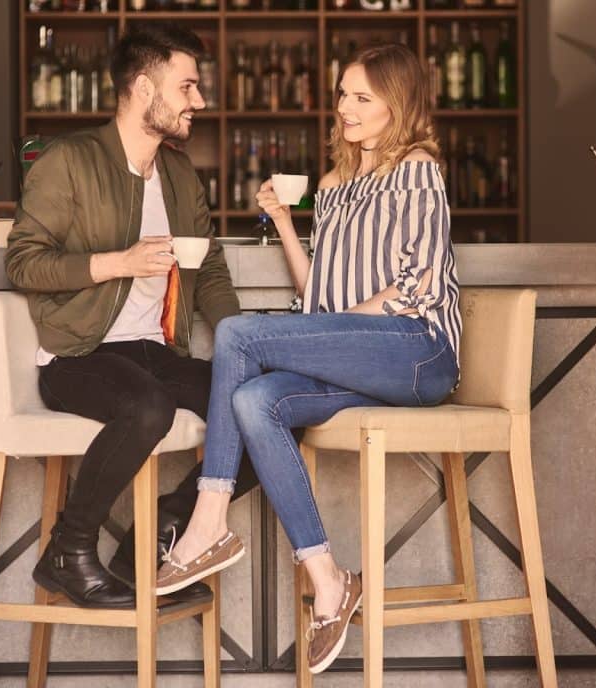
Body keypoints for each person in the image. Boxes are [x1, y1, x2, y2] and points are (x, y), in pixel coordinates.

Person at [153, 43, 463, 674]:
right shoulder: (332, 184)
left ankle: (208, 518)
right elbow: (316, 293)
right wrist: (285, 223)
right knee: (253, 400)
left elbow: (417, 284)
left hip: (417, 352)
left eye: (361, 98)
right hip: (360, 356)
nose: (344, 107)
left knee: (239, 335)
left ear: (395, 106)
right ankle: (329, 579)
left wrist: (327, 333)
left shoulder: (418, 168)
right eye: (343, 93)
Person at [4, 23, 261, 609]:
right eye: (188, 87)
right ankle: (68, 550)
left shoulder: (178, 173)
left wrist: (239, 342)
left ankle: (161, 536)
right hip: (79, 355)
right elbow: (22, 262)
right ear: (146, 88)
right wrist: (118, 262)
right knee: (150, 405)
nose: (199, 101)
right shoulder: (69, 161)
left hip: (154, 353)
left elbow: (211, 269)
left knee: (270, 406)